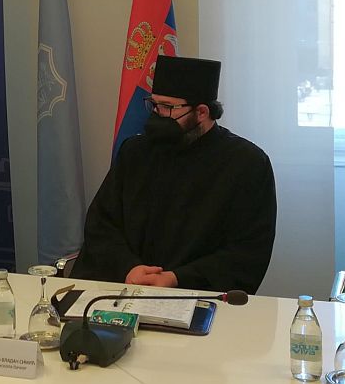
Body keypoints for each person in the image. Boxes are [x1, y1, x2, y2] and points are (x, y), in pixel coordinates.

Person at [70, 55, 277, 294]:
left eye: (168, 108)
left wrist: (176, 278)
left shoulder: (247, 163)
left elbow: (248, 251)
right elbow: (101, 224)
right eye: (154, 105)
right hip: (126, 286)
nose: (157, 114)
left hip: (197, 295)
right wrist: (129, 268)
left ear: (202, 112)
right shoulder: (135, 152)